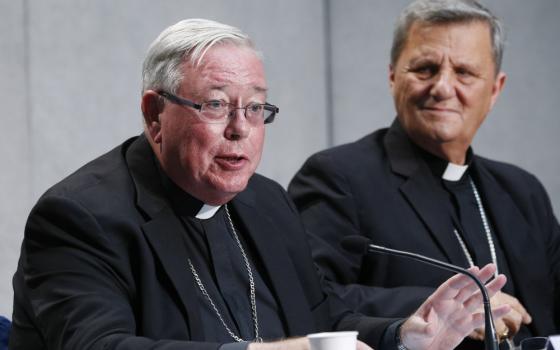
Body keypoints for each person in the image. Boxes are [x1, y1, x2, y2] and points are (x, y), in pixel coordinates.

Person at [10, 18, 508, 350]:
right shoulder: (80, 217)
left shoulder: (264, 201)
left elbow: (321, 320)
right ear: (154, 113)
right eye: (216, 104)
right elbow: (102, 347)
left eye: (255, 107)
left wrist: (404, 335)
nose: (240, 128)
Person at [289, 0, 560, 348]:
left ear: (494, 89)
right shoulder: (339, 177)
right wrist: (447, 307)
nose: (443, 88)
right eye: (425, 69)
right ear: (392, 77)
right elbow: (306, 298)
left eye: (464, 72)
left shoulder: (523, 192)